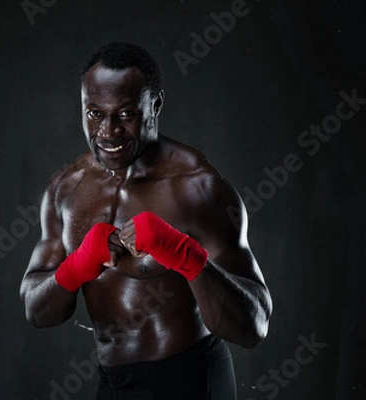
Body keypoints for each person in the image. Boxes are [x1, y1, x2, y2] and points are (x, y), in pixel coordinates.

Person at [19, 42, 272, 399]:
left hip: (190, 381)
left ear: (155, 105)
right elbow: (37, 311)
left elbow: (252, 326)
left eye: (125, 114)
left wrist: (186, 255)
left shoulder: (199, 190)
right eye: (94, 113)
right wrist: (75, 267)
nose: (108, 132)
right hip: (114, 385)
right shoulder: (66, 189)